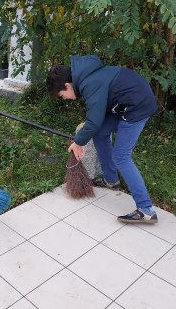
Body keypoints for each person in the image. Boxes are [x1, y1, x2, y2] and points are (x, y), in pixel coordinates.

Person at [46, 55, 159, 224]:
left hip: (137, 106)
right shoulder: (88, 77)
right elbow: (97, 117)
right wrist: (85, 132)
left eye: (62, 95)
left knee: (121, 156)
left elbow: (94, 121)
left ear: (67, 86)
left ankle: (146, 209)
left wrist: (78, 142)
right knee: (99, 132)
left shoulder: (89, 83)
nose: (65, 99)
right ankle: (111, 180)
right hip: (126, 105)